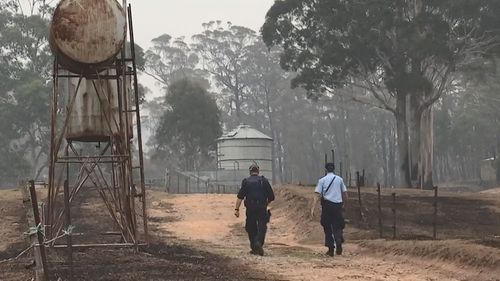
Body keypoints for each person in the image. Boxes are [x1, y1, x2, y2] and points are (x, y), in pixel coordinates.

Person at [234, 163, 275, 256]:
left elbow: (240, 197)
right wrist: (265, 204)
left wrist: (236, 209)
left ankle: (254, 245)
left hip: (250, 208)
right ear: (258, 171)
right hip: (261, 208)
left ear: (250, 172)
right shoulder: (264, 181)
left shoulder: (246, 182)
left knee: (250, 227)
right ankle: (258, 244)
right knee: (262, 227)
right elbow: (272, 197)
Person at [311, 162, 348, 257]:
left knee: (327, 226)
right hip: (337, 206)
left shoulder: (322, 180)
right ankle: (338, 239)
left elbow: (317, 194)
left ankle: (331, 248)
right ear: (334, 169)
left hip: (327, 206)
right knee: (338, 224)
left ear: (326, 169)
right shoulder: (339, 179)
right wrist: (344, 204)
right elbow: (345, 194)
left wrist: (313, 208)